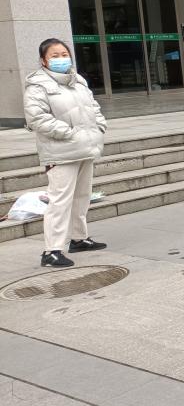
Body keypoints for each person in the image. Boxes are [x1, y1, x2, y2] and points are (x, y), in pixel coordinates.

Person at [23, 38, 108, 268]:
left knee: (82, 197)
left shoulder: (78, 80)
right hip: (61, 151)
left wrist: (100, 126)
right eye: (54, 55)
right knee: (59, 201)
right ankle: (51, 251)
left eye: (64, 54)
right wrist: (69, 133)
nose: (61, 59)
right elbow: (37, 118)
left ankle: (79, 238)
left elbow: (93, 107)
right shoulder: (38, 85)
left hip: (85, 147)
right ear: (43, 60)